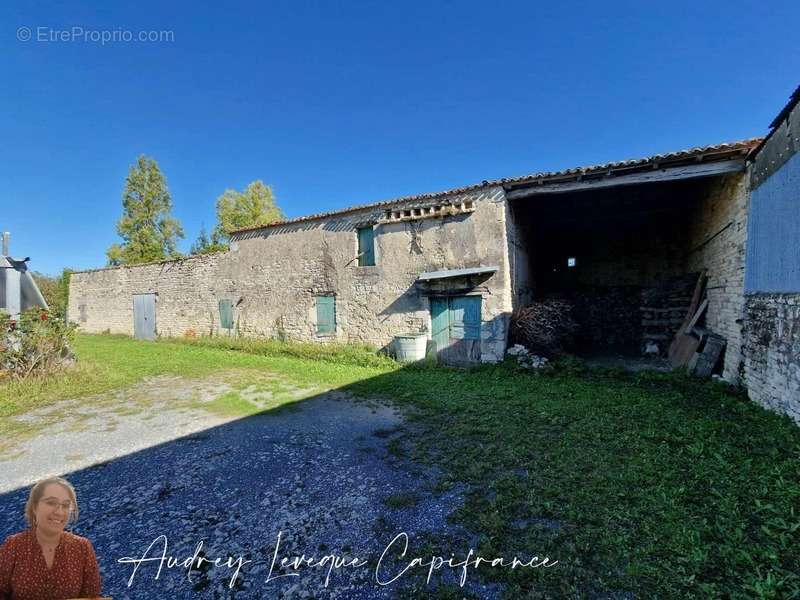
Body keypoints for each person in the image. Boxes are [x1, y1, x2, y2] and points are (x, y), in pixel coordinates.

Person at [0, 476, 102, 600]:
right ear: (34, 506)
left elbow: (91, 597)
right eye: (51, 503)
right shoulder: (13, 545)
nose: (59, 512)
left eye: (65, 505)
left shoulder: (82, 547)